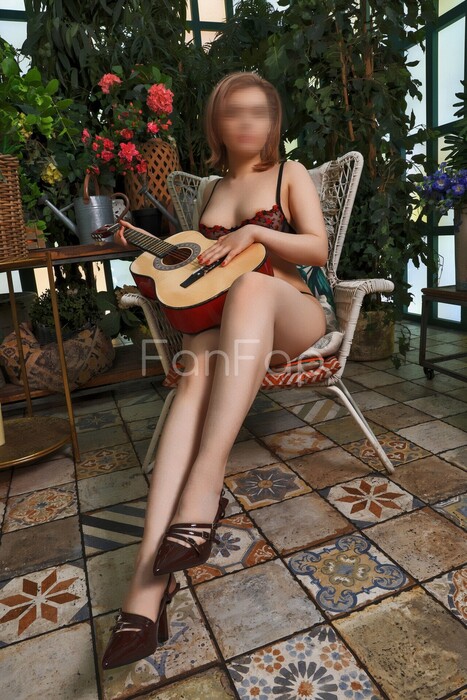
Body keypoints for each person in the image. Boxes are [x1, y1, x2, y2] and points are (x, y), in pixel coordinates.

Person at [102, 71, 328, 669]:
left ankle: (206, 483)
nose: (248, 122)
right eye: (234, 112)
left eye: (260, 112)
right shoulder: (212, 192)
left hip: (291, 312)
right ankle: (146, 589)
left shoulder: (290, 174)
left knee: (251, 289)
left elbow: (318, 249)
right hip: (232, 331)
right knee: (196, 368)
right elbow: (200, 269)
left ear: (273, 123)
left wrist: (255, 232)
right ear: (217, 125)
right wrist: (150, 253)